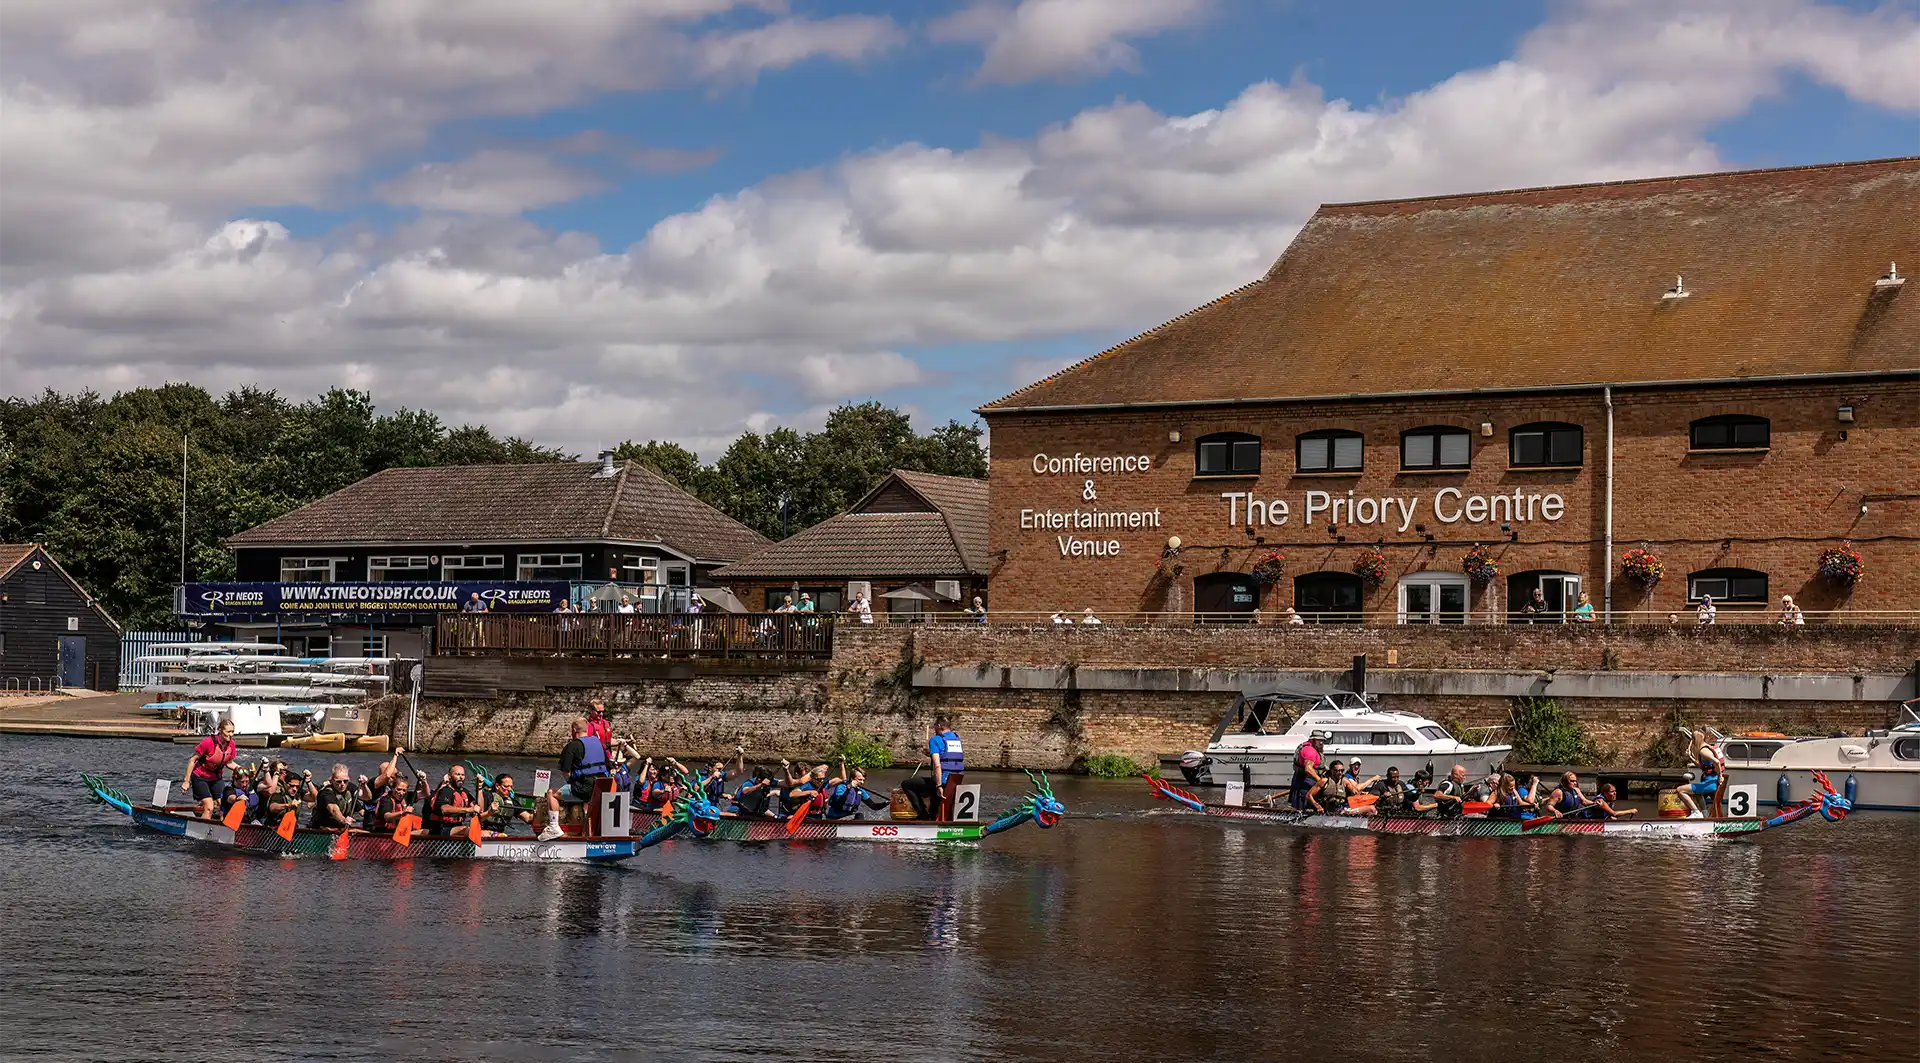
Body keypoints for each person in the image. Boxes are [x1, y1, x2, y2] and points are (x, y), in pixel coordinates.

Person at [542, 718, 611, 840]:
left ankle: (553, 827)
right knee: (583, 798)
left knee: (552, 793)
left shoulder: (572, 746)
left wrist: (572, 785)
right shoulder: (598, 744)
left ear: (574, 730)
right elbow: (608, 767)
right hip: (601, 789)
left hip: (584, 789)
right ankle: (588, 830)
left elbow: (565, 772)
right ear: (588, 729)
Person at [902, 716, 964, 819]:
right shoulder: (957, 738)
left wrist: (939, 786)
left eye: (934, 725)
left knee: (907, 784)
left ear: (939, 726)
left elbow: (937, 765)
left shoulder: (935, 739)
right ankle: (933, 814)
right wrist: (930, 754)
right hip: (956, 780)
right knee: (930, 786)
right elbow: (948, 757)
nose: (933, 728)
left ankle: (923, 816)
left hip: (943, 780)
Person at [184, 719, 240, 819]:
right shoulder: (208, 742)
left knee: (225, 804)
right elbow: (192, 760)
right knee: (209, 807)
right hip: (200, 777)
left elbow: (229, 763)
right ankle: (202, 832)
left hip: (216, 778)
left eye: (232, 732)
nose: (231, 735)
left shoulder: (231, 745)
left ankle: (224, 829)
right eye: (228, 732)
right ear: (220, 730)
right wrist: (186, 781)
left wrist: (243, 770)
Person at [1671, 729, 1724, 818]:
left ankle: (1696, 812)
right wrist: (1691, 757)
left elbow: (1717, 762)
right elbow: (1704, 767)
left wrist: (1720, 776)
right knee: (1697, 793)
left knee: (1680, 790)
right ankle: (1704, 814)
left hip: (1710, 783)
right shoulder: (1706, 748)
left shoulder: (1703, 751)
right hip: (1711, 782)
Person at [427, 764, 481, 836]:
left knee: (478, 831)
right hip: (441, 828)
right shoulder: (445, 791)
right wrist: (467, 810)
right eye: (458, 774)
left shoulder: (464, 792)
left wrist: (479, 788)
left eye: (463, 775)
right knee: (467, 830)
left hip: (457, 826)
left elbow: (477, 808)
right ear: (450, 776)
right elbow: (444, 809)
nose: (461, 777)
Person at [823, 767, 889, 820]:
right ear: (852, 779)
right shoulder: (842, 787)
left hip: (846, 818)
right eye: (860, 780)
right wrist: (849, 788)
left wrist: (887, 803)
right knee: (859, 816)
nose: (862, 782)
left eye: (863, 780)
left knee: (859, 816)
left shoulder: (861, 791)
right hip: (834, 818)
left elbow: (874, 806)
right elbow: (840, 802)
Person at [311, 764, 362, 832]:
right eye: (339, 781)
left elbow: (364, 799)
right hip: (323, 829)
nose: (342, 784)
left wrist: (364, 785)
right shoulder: (326, 792)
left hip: (341, 828)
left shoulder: (350, 788)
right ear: (332, 780)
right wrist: (344, 820)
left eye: (345, 781)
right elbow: (333, 809)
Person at [1287, 732, 1327, 810]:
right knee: (1304, 807)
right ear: (1312, 740)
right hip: (1305, 783)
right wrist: (1320, 780)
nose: (1321, 743)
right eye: (1318, 740)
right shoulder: (1310, 751)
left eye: (1322, 740)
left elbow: (1317, 765)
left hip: (1303, 781)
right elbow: (1308, 768)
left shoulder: (1312, 749)